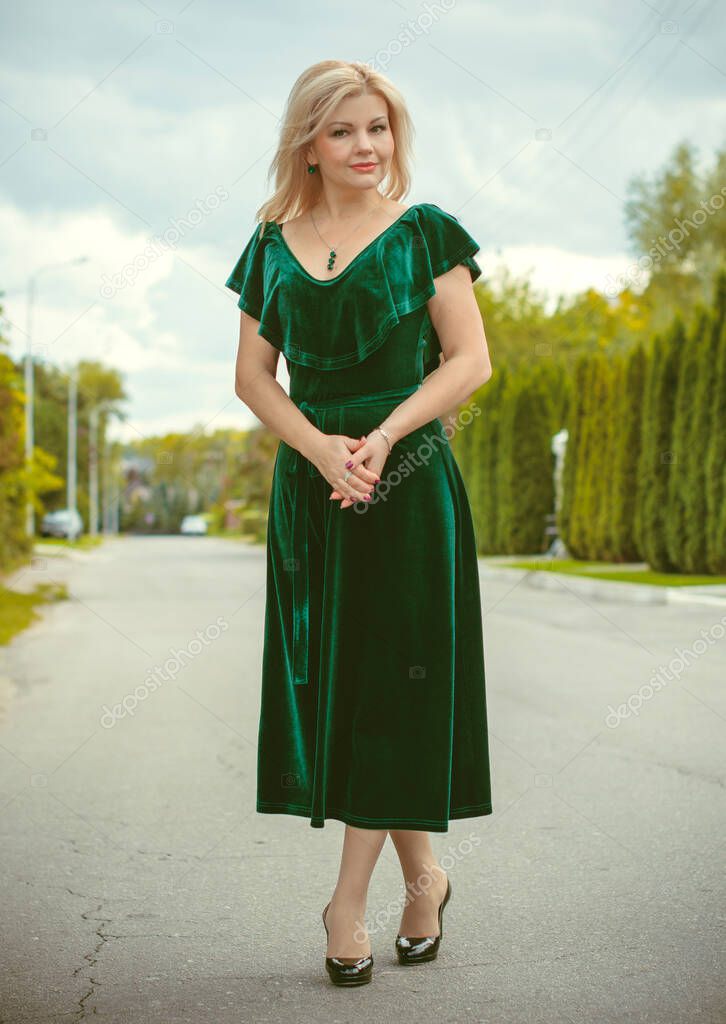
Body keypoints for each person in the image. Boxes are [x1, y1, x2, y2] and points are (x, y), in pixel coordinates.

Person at [225, 59, 493, 987]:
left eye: (377, 128)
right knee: (352, 694)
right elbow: (254, 375)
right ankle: (425, 879)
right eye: (343, 132)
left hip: (409, 482)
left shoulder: (424, 236)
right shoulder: (270, 244)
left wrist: (378, 441)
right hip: (315, 494)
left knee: (394, 690)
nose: (365, 147)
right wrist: (320, 451)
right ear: (309, 143)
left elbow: (469, 361)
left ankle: (345, 904)